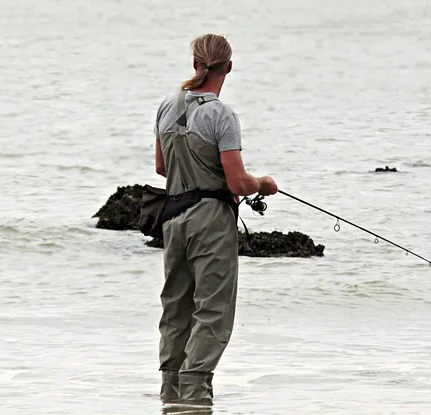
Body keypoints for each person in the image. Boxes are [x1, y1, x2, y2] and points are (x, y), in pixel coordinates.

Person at [152, 33, 278, 406]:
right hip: (210, 220)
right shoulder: (221, 114)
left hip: (172, 218)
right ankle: (194, 394)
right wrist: (264, 184)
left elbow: (161, 168)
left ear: (195, 64)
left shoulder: (166, 106)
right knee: (213, 310)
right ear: (229, 67)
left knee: (176, 307)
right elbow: (238, 181)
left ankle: (170, 394)